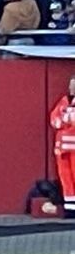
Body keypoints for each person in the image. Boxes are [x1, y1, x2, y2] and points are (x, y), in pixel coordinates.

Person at [49, 75, 75, 216]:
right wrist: (65, 121)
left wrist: (65, 120)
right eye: (71, 85)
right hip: (62, 148)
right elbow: (54, 120)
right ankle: (70, 208)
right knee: (66, 178)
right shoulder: (64, 102)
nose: (71, 88)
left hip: (73, 149)